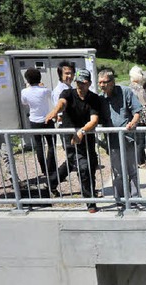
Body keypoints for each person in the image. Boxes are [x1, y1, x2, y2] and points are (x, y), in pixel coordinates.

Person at [45, 68, 101, 213]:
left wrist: (82, 131)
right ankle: (90, 202)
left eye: (82, 83)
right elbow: (62, 103)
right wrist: (55, 111)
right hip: (70, 137)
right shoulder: (68, 93)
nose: (79, 86)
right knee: (83, 167)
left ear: (88, 83)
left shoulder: (94, 98)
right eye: (77, 82)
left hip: (86, 135)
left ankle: (51, 182)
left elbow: (94, 120)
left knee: (85, 164)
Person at [98, 68, 142, 210]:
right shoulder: (101, 98)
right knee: (117, 173)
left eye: (105, 82)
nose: (102, 85)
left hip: (128, 139)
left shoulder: (125, 92)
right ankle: (120, 200)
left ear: (112, 81)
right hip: (113, 141)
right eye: (100, 82)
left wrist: (133, 122)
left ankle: (135, 199)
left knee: (132, 171)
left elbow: (137, 111)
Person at [20, 68, 56, 180]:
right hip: (47, 120)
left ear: (27, 79)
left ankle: (44, 170)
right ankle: (51, 169)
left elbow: (24, 102)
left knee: (39, 146)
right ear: (39, 78)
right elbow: (53, 97)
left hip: (34, 121)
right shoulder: (44, 90)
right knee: (51, 145)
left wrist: (28, 88)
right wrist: (42, 86)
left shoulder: (24, 92)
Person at [129, 66, 146, 167]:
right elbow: (144, 105)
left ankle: (141, 159)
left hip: (132, 116)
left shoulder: (129, 87)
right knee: (141, 140)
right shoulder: (140, 89)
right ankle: (140, 162)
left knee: (136, 140)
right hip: (141, 117)